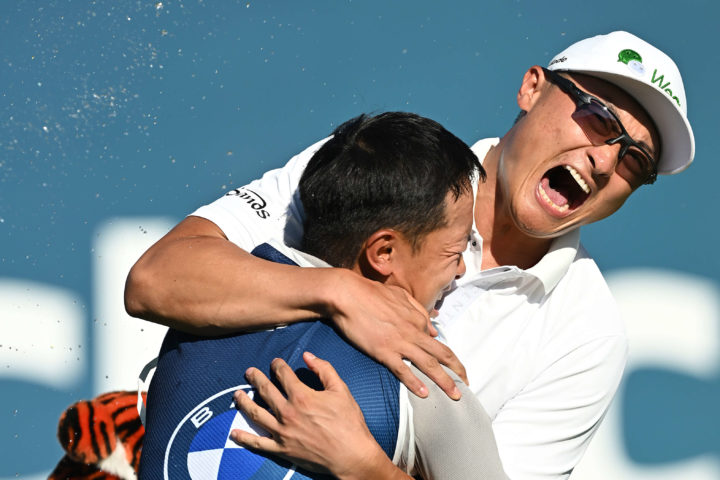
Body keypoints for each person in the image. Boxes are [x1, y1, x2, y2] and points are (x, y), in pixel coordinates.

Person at [125, 31, 695, 479]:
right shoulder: (386, 162)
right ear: (531, 89)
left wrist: (364, 468)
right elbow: (154, 280)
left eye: (634, 162)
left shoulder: (586, 332)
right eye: (598, 119)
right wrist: (341, 294)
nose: (603, 160)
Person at [138, 112, 507, 479]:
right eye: (455, 251)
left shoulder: (198, 308)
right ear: (383, 253)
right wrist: (370, 470)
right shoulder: (424, 382)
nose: (460, 270)